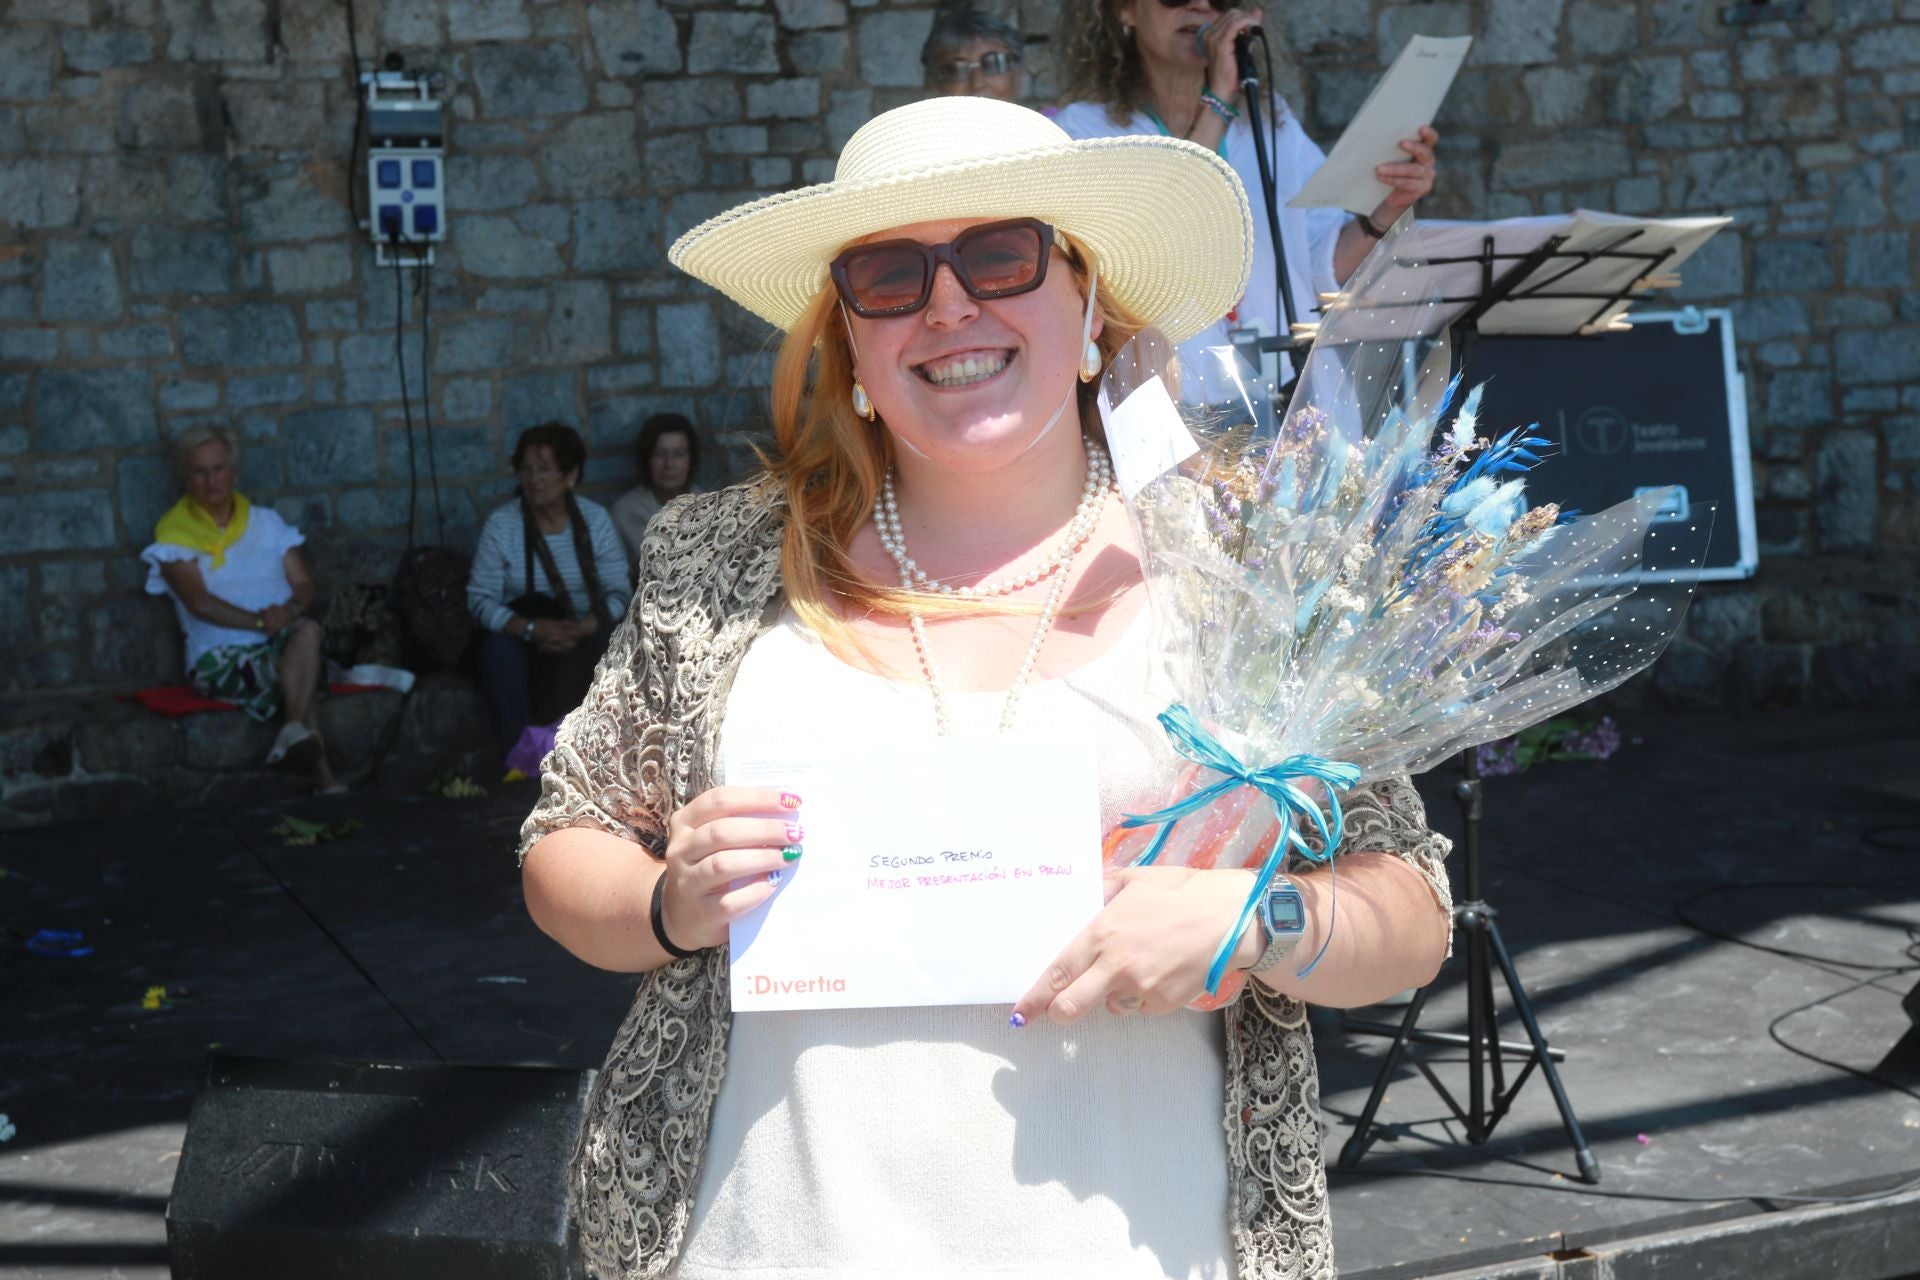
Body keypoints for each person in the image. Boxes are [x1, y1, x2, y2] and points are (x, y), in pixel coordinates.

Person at [518, 98, 1451, 1280]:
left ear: (1090, 304)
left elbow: (1407, 911)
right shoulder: (718, 566)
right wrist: (668, 903)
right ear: (850, 341)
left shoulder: (1239, 568)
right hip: (762, 1244)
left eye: (1001, 255)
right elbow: (565, 848)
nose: (950, 305)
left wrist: (1255, 922)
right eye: (891, 275)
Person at [1052, 0, 1439, 382]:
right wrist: (1220, 98)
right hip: (1178, 393)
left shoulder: (1272, 121)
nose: (1201, 6)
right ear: (1125, 10)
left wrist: (1386, 209)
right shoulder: (1088, 131)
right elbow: (1159, 243)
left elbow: (1318, 262)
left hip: (1297, 389)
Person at [142, 424, 341, 794]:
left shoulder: (266, 522)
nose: (211, 480)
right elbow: (198, 602)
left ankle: (293, 732)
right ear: (187, 479)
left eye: (218, 468)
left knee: (307, 634)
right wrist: (262, 620)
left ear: (234, 472)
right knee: (300, 667)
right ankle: (323, 774)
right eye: (199, 472)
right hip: (219, 660)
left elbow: (304, 584)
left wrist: (290, 609)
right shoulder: (173, 534)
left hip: (278, 640)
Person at [466, 423, 631, 762]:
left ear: (570, 475)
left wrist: (586, 625)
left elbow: (620, 592)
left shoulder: (595, 521)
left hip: (582, 629)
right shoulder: (503, 526)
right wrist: (529, 628)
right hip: (525, 632)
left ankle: (604, 754)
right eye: (526, 469)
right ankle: (517, 758)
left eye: (544, 469)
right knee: (497, 653)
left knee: (612, 644)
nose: (533, 479)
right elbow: (480, 599)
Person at [609, 412, 702, 570]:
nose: (669, 464)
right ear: (647, 460)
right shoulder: (625, 511)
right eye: (659, 455)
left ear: (691, 459)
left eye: (678, 454)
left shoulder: (710, 506)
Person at [921, 5, 1024, 101]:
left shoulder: (1039, 120)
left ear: (1018, 77)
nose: (977, 84)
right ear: (934, 86)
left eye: (992, 64)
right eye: (956, 70)